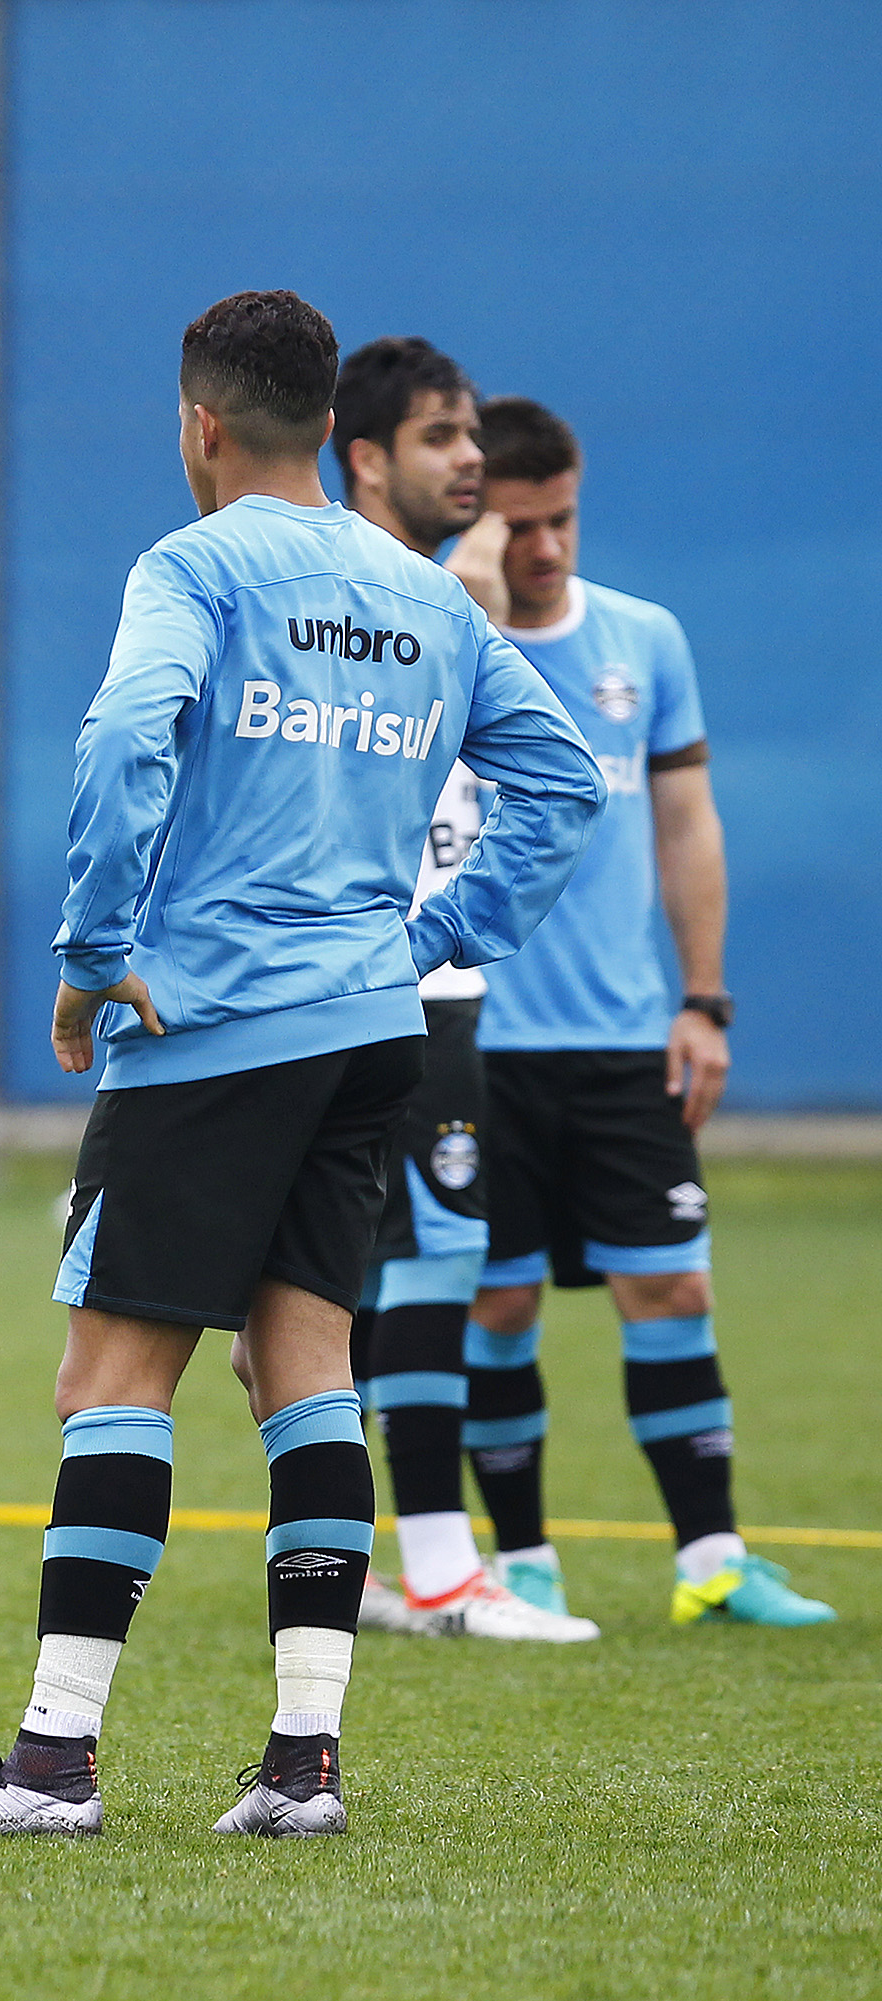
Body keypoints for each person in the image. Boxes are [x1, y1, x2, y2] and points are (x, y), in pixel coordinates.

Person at [0, 292, 600, 1840]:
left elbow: (129, 734)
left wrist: (90, 955)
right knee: (304, 1364)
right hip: (367, 1030)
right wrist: (436, 933)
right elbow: (562, 780)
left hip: (212, 1027)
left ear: (200, 422)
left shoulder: (192, 565)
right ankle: (301, 1771)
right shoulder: (421, 593)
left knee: (113, 1379)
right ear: (320, 420)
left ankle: (55, 1764)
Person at [462, 398, 836, 1629]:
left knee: (671, 1288)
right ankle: (519, 1562)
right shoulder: (434, 648)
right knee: (496, 1303)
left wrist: (705, 1002)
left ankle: (712, 1559)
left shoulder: (644, 642)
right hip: (475, 1043)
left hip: (624, 1039)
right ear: (474, 518)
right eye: (519, 526)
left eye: (562, 518)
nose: (548, 547)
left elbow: (686, 824)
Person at [324, 338, 597, 1643]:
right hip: (397, 987)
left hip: (423, 977)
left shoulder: (419, 597)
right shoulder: (380, 594)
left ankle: (361, 1560)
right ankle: (440, 1570)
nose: (472, 459)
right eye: (443, 436)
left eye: (473, 433)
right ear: (365, 457)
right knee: (427, 1260)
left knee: (368, 1277)